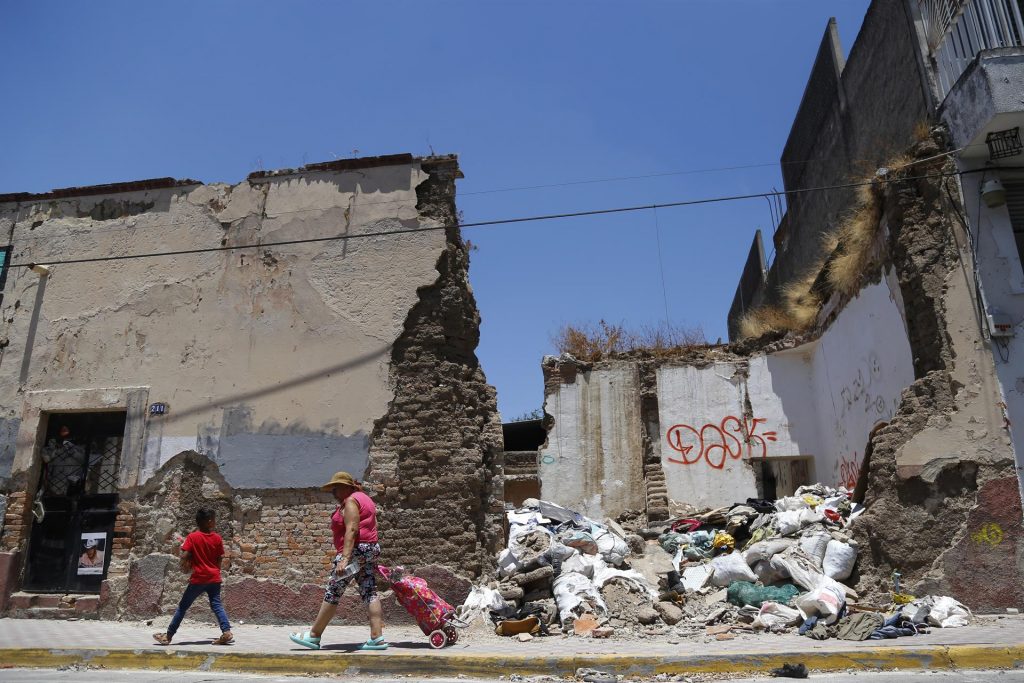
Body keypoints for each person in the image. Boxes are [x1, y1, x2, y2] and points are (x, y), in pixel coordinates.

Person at [289, 471, 386, 650]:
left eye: (337, 487)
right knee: (369, 591)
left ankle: (313, 636)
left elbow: (352, 530)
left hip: (355, 551)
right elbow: (371, 526)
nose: (333, 492)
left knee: (333, 591)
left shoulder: (350, 502)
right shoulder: (364, 498)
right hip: (369, 550)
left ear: (347, 487)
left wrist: (345, 558)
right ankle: (377, 637)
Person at [153, 507, 234, 646]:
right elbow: (220, 558)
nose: (215, 522)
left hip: (199, 578)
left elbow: (184, 555)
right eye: (214, 520)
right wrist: (215, 570)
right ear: (209, 522)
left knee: (183, 607)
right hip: (214, 577)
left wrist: (185, 558)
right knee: (217, 605)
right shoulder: (217, 538)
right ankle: (226, 631)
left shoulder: (193, 537)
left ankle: (168, 636)